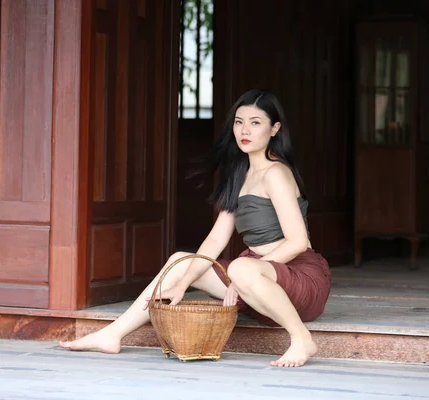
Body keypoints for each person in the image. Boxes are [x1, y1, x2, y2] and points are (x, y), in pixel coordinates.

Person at [59, 89, 331, 368]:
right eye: (239, 122)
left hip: (300, 278)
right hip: (257, 283)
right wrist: (183, 284)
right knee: (180, 262)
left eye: (255, 122)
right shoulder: (239, 175)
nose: (244, 130)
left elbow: (298, 241)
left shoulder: (276, 173)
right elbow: (216, 239)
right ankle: (112, 334)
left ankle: (301, 338)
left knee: (240, 267)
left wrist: (241, 276)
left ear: (275, 128)